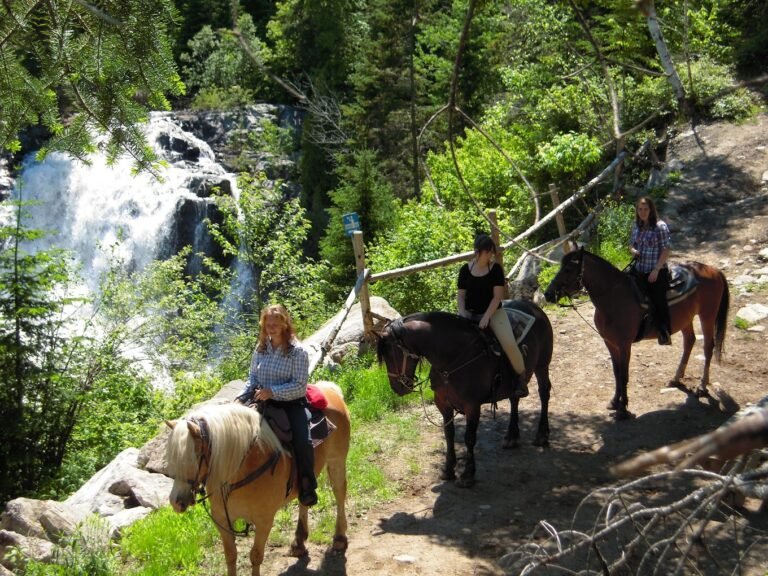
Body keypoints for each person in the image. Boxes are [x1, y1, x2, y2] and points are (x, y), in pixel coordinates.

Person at [236, 304, 317, 506]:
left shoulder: (297, 352)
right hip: (260, 400)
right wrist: (241, 396)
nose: (271, 327)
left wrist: (273, 392)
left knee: (303, 441)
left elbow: (300, 386)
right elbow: (252, 378)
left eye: (275, 323)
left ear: (284, 323)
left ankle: (307, 486)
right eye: (268, 323)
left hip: (290, 404)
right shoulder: (261, 348)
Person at [457, 233, 528, 398]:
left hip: (494, 312)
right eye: (487, 251)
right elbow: (460, 295)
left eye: (491, 252)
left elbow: (497, 297)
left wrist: (486, 317)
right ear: (478, 251)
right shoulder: (464, 270)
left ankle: (520, 378)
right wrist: (462, 312)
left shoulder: (496, 269)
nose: (490, 255)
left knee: (508, 343)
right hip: (468, 313)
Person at [629, 196, 672, 346]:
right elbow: (631, 245)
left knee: (657, 299)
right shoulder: (636, 226)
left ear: (651, 210)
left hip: (656, 271)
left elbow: (666, 249)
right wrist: (634, 251)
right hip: (639, 268)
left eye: (645, 209)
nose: (642, 212)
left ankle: (663, 331)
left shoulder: (660, 227)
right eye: (640, 209)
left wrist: (656, 269)